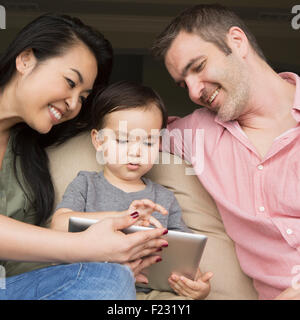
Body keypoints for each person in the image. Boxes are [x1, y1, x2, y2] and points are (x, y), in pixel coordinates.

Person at [0, 13, 169, 300]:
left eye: (83, 96)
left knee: (111, 276)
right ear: (25, 59)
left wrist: (110, 257)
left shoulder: (27, 156)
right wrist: (84, 246)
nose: (72, 104)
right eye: (70, 82)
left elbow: (26, 266)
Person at [151, 4, 300, 300]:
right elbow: (120, 135)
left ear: (237, 42)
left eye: (198, 67)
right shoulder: (196, 134)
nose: (193, 92)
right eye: (184, 84)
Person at [50, 80, 213, 299]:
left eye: (148, 143)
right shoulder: (87, 184)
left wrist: (196, 284)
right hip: (91, 285)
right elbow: (59, 225)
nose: (136, 152)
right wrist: (124, 218)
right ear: (98, 141)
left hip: (149, 290)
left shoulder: (164, 198)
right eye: (123, 140)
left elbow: (186, 254)